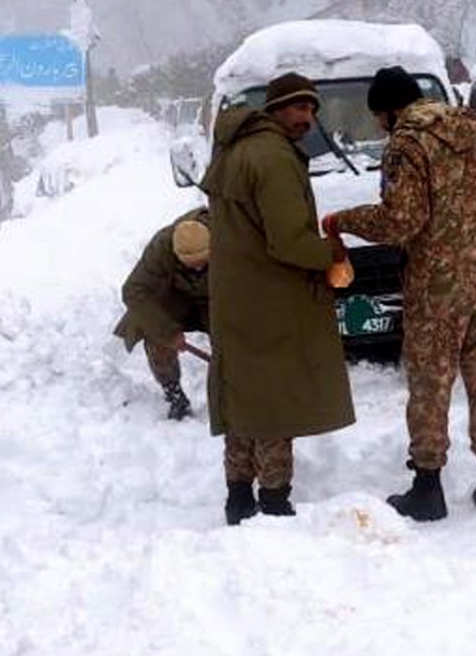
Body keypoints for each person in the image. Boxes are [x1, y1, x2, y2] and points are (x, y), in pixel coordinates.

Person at [325, 66, 476, 521]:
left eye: (377, 117)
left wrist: (343, 220)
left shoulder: (407, 143)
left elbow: (401, 221)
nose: (378, 125)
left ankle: (427, 487)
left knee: (430, 387)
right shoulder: (474, 129)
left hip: (437, 290)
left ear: (390, 110)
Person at [199, 71, 355, 524]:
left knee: (244, 398)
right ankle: (274, 499)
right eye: (298, 107)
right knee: (275, 402)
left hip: (236, 295)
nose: (307, 117)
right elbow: (289, 241)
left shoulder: (234, 150)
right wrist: (332, 252)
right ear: (275, 109)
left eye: (311, 109)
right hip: (273, 296)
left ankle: (237, 496)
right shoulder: (275, 158)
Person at [111, 210, 211, 420]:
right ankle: (174, 395)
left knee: (235, 341)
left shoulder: (231, 239)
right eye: (191, 264)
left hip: (218, 299)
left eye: (203, 261)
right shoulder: (161, 246)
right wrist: (167, 331)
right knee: (157, 338)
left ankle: (235, 395)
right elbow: (133, 290)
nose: (199, 267)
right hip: (175, 298)